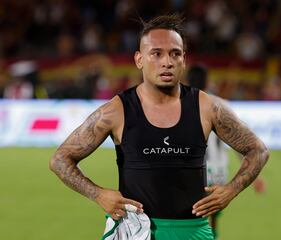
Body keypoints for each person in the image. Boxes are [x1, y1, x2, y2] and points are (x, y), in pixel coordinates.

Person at [49, 14, 269, 240]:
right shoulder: (116, 110)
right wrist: (98, 194)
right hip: (134, 231)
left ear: (184, 59)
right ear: (139, 59)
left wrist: (231, 191)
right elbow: (60, 159)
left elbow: (258, 150)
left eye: (175, 53)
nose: (167, 62)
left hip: (192, 232)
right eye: (156, 53)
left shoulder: (207, 107)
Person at [187, 64, 267, 239]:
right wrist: (255, 177)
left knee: (194, 215)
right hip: (219, 171)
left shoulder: (181, 104)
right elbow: (242, 144)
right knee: (214, 214)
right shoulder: (220, 105)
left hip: (195, 172)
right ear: (208, 81)